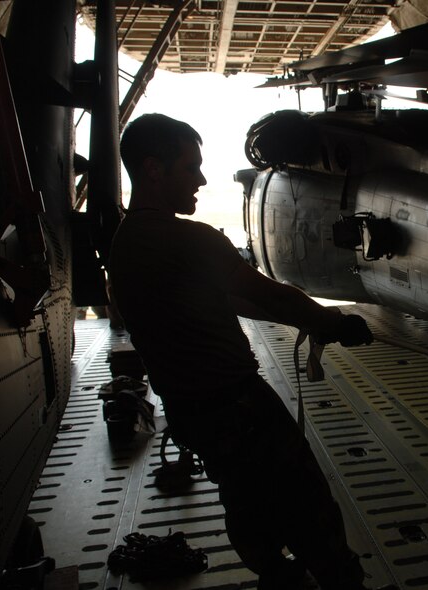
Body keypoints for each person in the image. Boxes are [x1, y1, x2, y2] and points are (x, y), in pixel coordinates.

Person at [109, 113, 376, 589]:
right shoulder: (189, 239)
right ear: (153, 169)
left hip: (194, 414)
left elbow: (235, 301)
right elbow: (268, 293)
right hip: (239, 407)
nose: (202, 180)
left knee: (245, 499)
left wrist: (312, 323)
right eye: (190, 168)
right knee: (307, 503)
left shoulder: (126, 244)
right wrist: (332, 322)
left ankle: (277, 577)